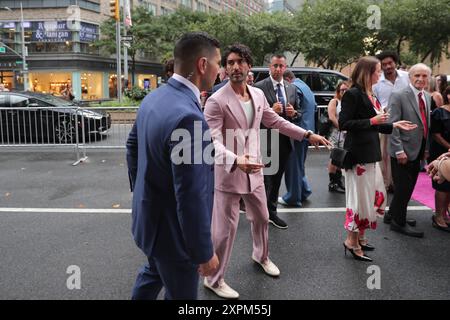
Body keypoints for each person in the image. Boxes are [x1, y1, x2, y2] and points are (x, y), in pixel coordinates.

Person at [203, 44, 331, 299]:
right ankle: (213, 279)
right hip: (229, 173)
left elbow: (276, 122)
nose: (235, 67)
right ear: (225, 69)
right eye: (230, 63)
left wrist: (306, 134)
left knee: (262, 218)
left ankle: (260, 255)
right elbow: (210, 141)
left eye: (240, 61)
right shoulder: (217, 101)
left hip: (256, 171)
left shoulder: (258, 95)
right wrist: (236, 159)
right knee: (223, 232)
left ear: (249, 66)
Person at [126, 32, 221, 300]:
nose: (220, 70)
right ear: (202, 65)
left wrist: (144, 192)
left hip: (149, 221)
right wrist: (203, 251)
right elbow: (190, 195)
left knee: (152, 272)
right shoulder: (189, 117)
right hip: (174, 237)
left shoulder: (153, 98)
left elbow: (131, 148)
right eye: (218, 63)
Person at [339, 56, 416, 262]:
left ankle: (360, 238)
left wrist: (394, 125)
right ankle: (351, 241)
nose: (380, 74)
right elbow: (343, 123)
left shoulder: (370, 94)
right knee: (359, 201)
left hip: (370, 154)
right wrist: (372, 120)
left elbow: (376, 125)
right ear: (367, 72)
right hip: (357, 157)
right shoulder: (353, 94)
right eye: (378, 70)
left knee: (372, 198)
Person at [386, 63, 433, 238]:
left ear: (429, 78)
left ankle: (392, 214)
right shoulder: (399, 95)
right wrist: (398, 150)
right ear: (410, 77)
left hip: (418, 149)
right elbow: (393, 125)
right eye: (417, 76)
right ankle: (399, 222)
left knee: (406, 186)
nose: (421, 79)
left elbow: (425, 125)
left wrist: (426, 149)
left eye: (424, 76)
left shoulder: (427, 97)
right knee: (404, 187)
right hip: (403, 150)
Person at [254, 54, 300, 229]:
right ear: (269, 67)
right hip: (266, 138)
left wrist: (294, 113)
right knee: (265, 179)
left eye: (281, 66)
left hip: (285, 140)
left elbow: (299, 113)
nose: (278, 69)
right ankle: (261, 212)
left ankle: (271, 210)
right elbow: (252, 116)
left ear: (285, 67)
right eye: (275, 66)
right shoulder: (258, 88)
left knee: (278, 177)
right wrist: (269, 111)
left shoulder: (291, 88)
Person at [373, 51, 410, 193]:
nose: (388, 66)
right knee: (385, 154)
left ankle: (398, 182)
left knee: (403, 153)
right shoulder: (377, 81)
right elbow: (374, 102)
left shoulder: (406, 77)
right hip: (386, 123)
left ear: (395, 62)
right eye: (384, 64)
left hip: (405, 121)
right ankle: (385, 184)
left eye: (390, 63)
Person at [278, 70, 316, 206]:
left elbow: (293, 109)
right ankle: (304, 191)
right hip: (308, 131)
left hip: (297, 131)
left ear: (287, 79)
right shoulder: (305, 87)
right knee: (299, 164)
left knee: (292, 165)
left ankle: (293, 197)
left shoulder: (294, 88)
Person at [427, 86, 450, 232]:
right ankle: (438, 216)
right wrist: (449, 147)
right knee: (441, 185)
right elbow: (435, 134)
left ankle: (445, 215)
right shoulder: (439, 112)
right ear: (448, 95)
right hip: (441, 152)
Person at [326, 80, 350, 193]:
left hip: (345, 134)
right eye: (342, 90)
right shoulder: (334, 101)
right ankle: (333, 183)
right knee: (334, 157)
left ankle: (338, 181)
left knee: (341, 158)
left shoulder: (348, 102)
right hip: (335, 133)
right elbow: (332, 117)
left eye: (346, 90)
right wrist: (341, 127)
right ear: (338, 91)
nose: (344, 92)